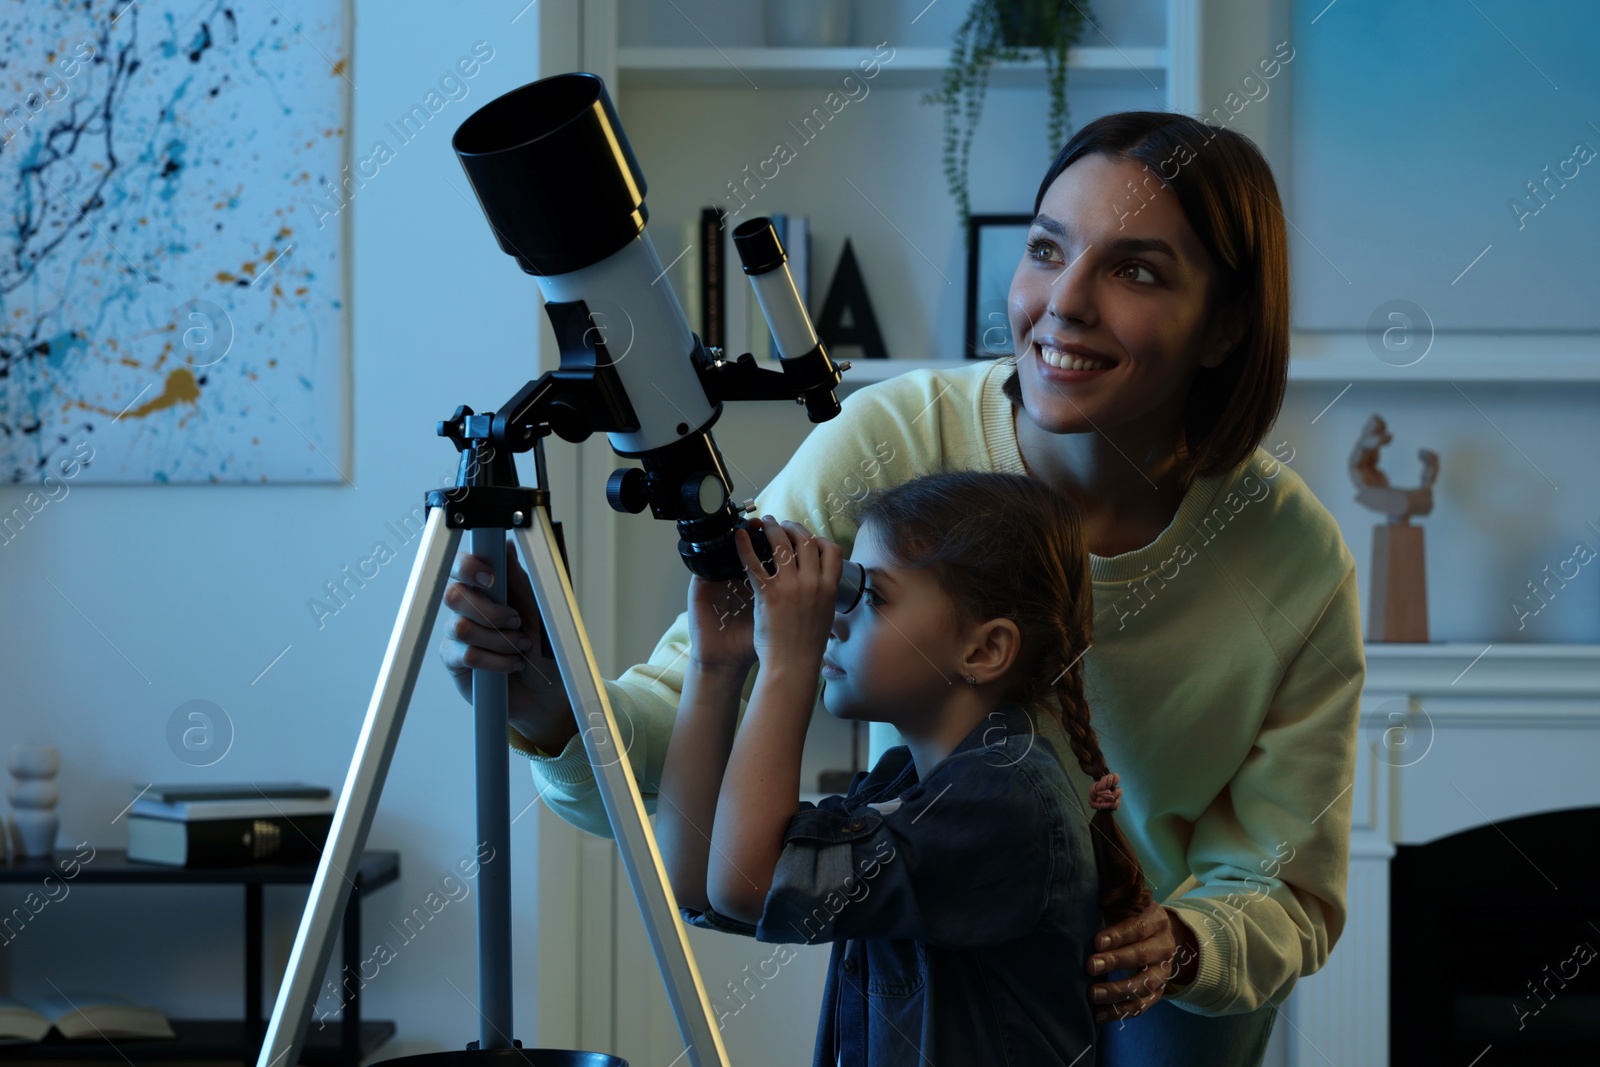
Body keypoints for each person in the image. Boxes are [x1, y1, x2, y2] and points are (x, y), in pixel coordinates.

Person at [440, 110, 1365, 1066]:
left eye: (1136, 269)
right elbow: (704, 840)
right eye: (1047, 249)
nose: (1066, 302)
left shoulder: (1293, 560)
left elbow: (1286, 884)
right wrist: (556, 712)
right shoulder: (891, 450)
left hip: (1161, 992)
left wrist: (1183, 947)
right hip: (945, 975)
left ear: (1223, 326)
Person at [656, 471, 1145, 1066]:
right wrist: (716, 667)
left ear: (983, 650)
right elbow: (701, 880)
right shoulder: (903, 786)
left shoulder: (1002, 801)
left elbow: (745, 884)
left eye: (873, 598)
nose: (834, 621)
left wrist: (789, 661)